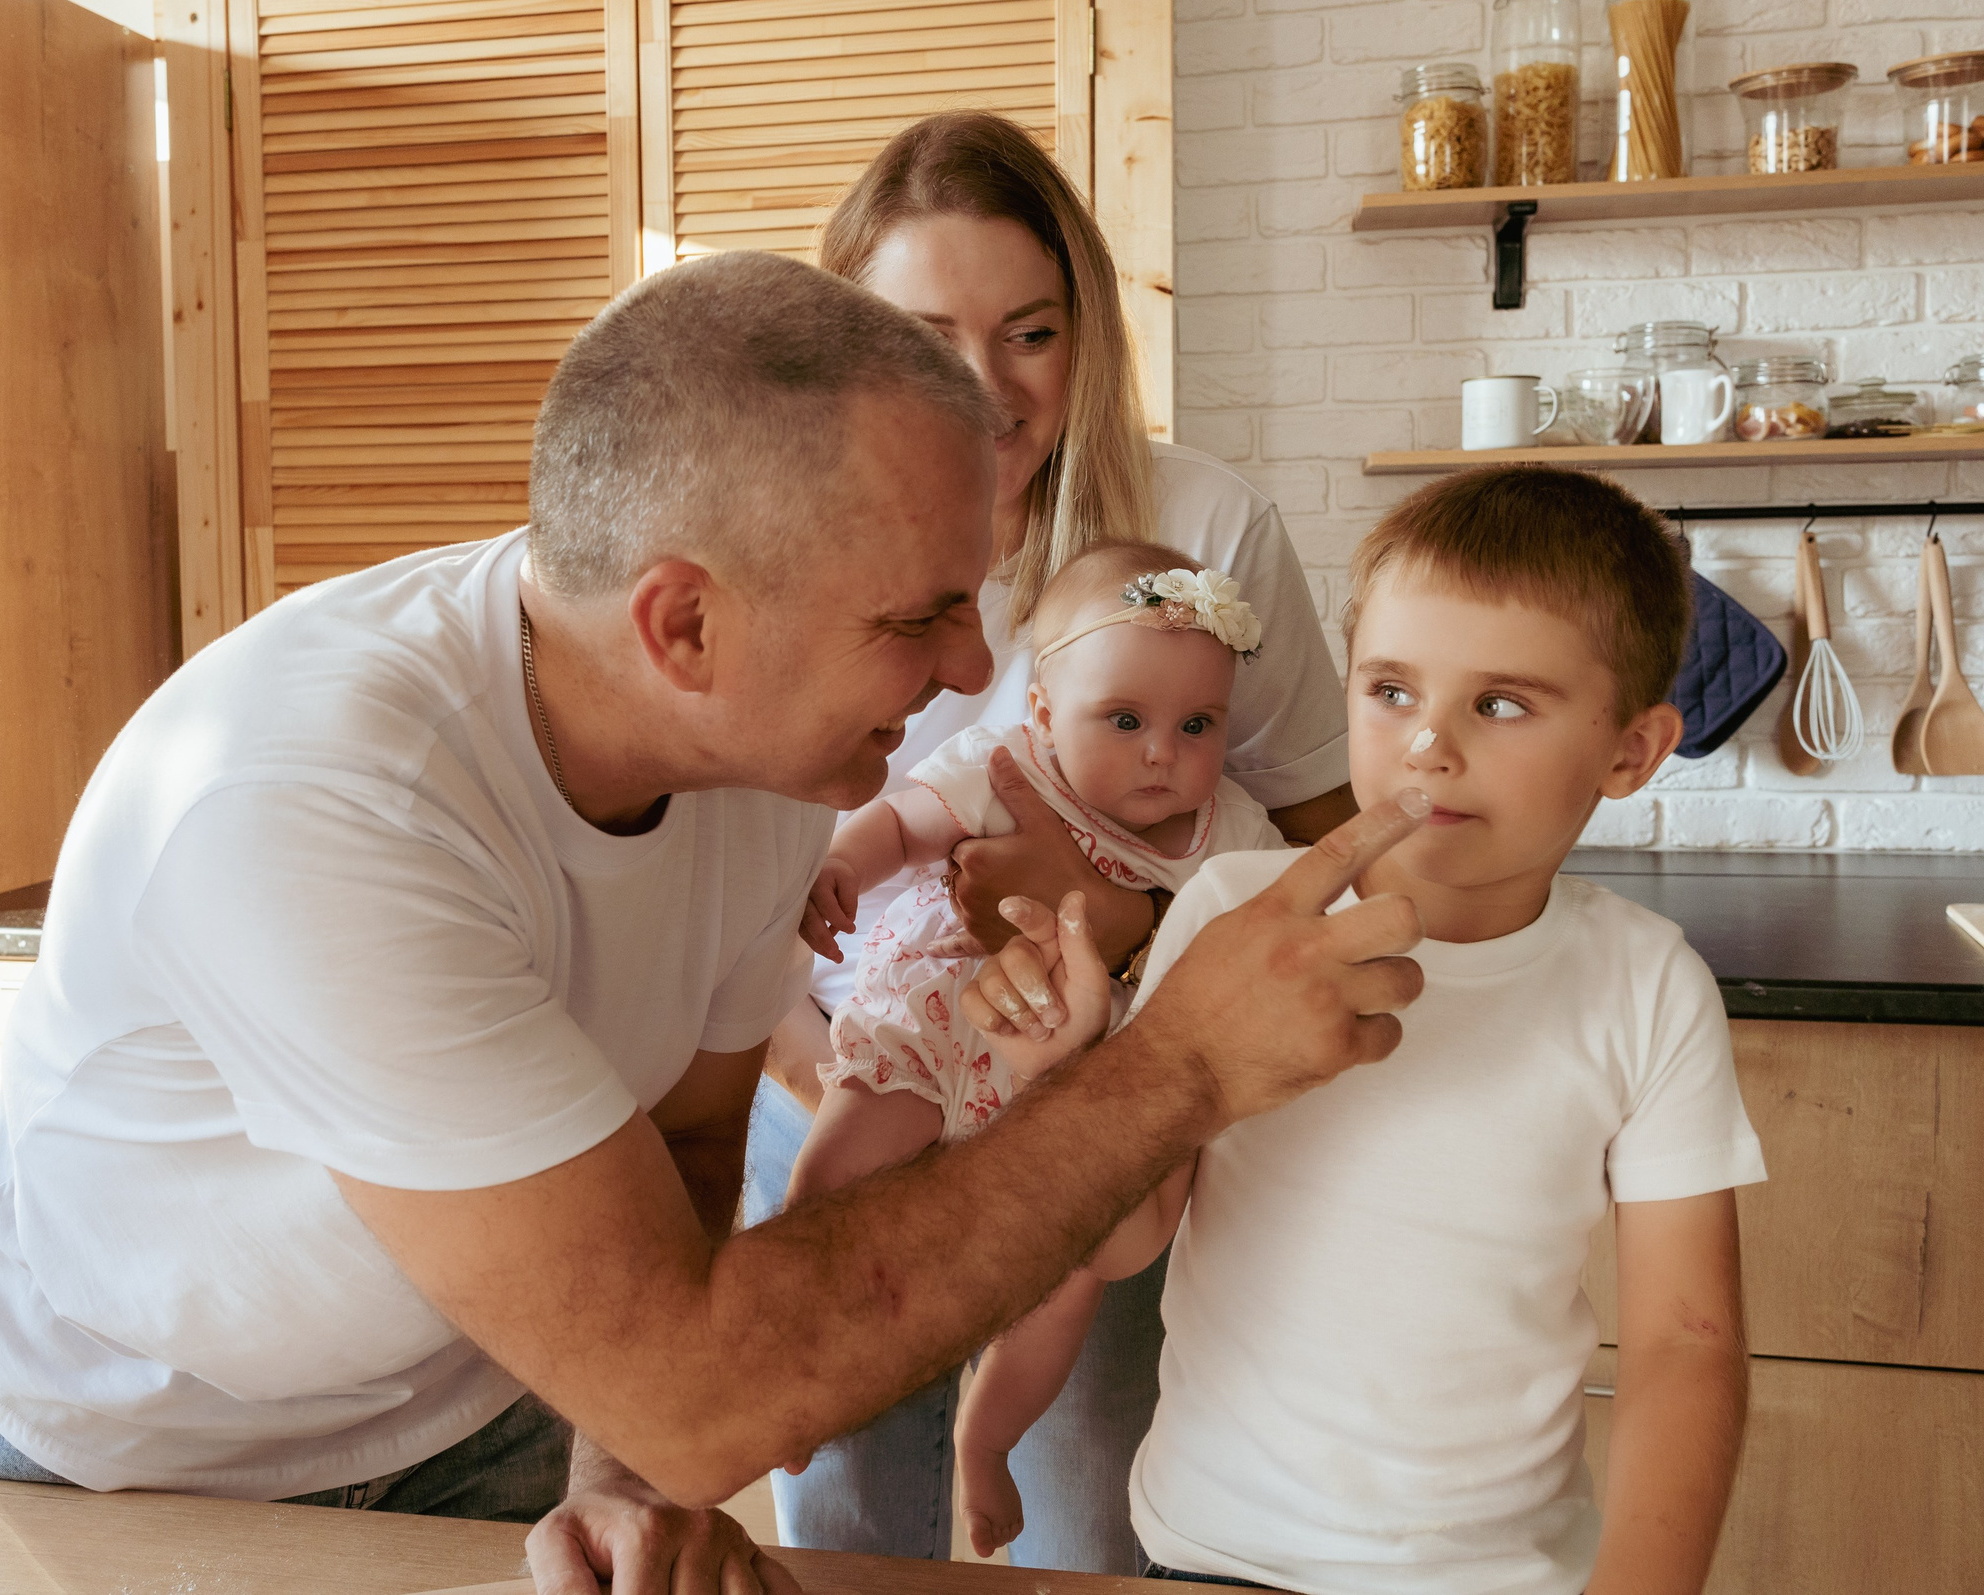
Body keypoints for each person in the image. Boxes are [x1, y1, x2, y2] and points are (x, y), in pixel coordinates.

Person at [0, 247, 1432, 1595]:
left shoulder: (772, 754)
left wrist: (617, 1468)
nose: (970, 660)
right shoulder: (316, 804)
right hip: (143, 1461)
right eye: (918, 617)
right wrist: (1176, 1064)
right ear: (685, 625)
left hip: (491, 1412)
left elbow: (691, 1138)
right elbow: (706, 1394)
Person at [968, 467, 1764, 1595]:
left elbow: (1686, 1346)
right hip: (1208, 1553)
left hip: (1501, 1579)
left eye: (1498, 704)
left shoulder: (1646, 988)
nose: (1427, 746)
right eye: (1390, 690)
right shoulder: (1227, 915)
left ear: (1630, 752)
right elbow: (1123, 1242)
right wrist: (1065, 1087)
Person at [750, 109, 1356, 1573]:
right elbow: (734, 863)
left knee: (1086, 1506)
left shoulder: (1204, 525)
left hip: (1105, 1103)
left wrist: (1094, 909)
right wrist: (818, 1067)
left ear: (1086, 327)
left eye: (1029, 329)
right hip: (848, 1068)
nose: (982, 384)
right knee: (844, 1521)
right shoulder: (770, 534)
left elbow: (1314, 855)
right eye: (921, 331)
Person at [782, 541, 1289, 1558]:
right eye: (1126, 721)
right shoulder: (1004, 765)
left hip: (1079, 1080)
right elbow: (903, 825)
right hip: (948, 1018)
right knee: (840, 1170)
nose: (1163, 754)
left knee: (1061, 1286)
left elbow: (1258, 934)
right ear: (1047, 713)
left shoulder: (1228, 827)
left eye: (1197, 726)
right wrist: (842, 859)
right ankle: (792, 1361)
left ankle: (986, 1440)